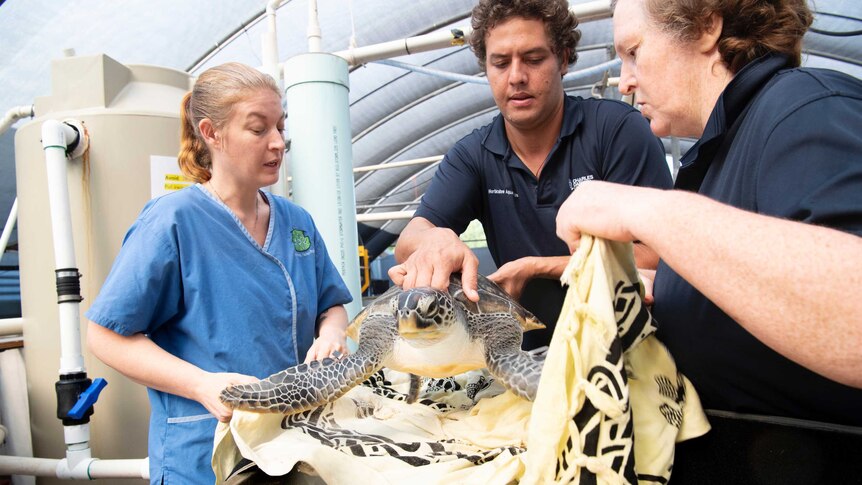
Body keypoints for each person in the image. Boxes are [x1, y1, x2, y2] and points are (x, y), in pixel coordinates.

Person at [556, 0, 862, 427]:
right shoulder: (721, 151)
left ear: (705, 27)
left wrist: (638, 208)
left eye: (633, 51)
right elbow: (768, 281)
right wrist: (666, 290)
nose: (624, 82)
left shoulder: (805, 108)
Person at [85, 63, 353, 484]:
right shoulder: (173, 221)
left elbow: (330, 302)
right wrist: (202, 385)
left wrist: (333, 333)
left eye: (281, 127)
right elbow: (106, 335)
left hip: (296, 441)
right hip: (206, 451)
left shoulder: (296, 221)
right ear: (211, 133)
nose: (278, 143)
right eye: (258, 128)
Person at [390, 0, 672, 349]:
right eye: (500, 62)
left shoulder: (615, 131)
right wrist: (435, 240)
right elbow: (409, 240)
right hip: (527, 360)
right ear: (486, 68)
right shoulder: (474, 155)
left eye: (534, 59)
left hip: (625, 353)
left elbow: (661, 252)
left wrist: (537, 267)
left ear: (564, 58)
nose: (516, 77)